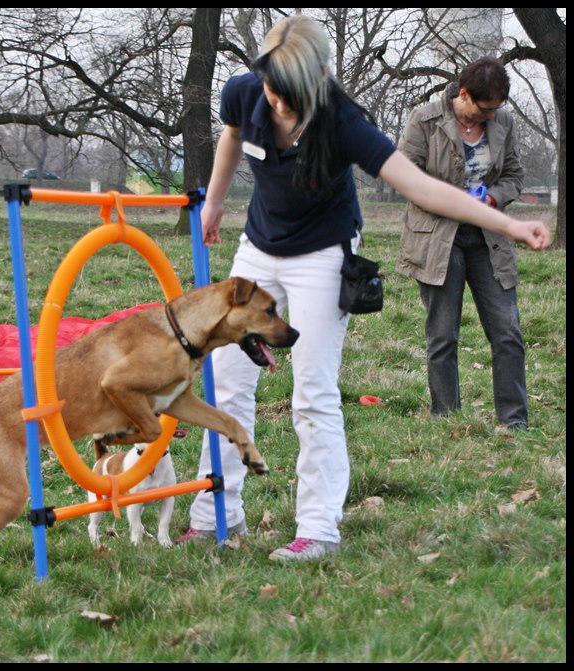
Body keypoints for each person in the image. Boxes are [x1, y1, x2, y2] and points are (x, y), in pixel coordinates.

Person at [178, 15, 550, 561]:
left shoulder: (344, 121)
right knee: (226, 384)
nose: (279, 107)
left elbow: (423, 186)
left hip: (323, 255)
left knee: (312, 394)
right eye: (273, 93)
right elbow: (232, 137)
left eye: (292, 98)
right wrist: (214, 202)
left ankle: (318, 529)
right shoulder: (243, 94)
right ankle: (215, 516)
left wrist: (511, 225)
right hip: (257, 250)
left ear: (318, 82)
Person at [396, 56, 531, 430]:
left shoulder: (503, 122)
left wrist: (491, 199)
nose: (490, 117)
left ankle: (515, 422)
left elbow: (515, 175)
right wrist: (450, 199)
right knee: (442, 335)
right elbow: (405, 176)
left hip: (488, 238)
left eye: (496, 109)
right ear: (465, 95)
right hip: (438, 238)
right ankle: (447, 421)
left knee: (507, 332)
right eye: (485, 109)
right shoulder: (424, 119)